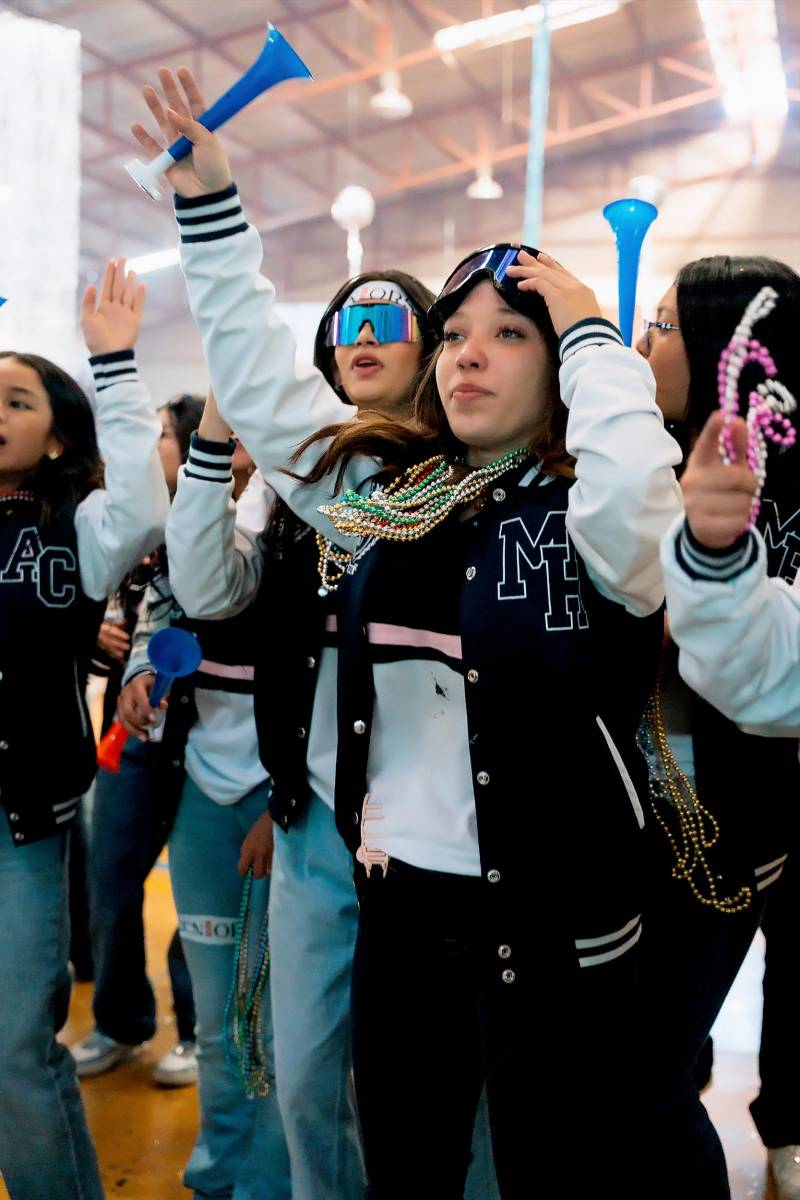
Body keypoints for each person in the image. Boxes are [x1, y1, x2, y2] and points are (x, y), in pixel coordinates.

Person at [130, 69, 683, 1197]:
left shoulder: (588, 506)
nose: (467, 353)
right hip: (401, 912)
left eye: (510, 334)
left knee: (546, 1171)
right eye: (456, 335)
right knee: (410, 1166)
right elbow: (273, 403)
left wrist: (587, 334)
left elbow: (634, 531)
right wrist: (212, 209)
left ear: (564, 359)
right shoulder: (393, 495)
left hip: (561, 918)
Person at [133, 68, 501, 1200]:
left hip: (458, 858)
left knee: (453, 1115)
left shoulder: (479, 491)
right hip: (317, 829)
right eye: (339, 327)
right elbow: (213, 577)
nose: (357, 339)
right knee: (304, 1083)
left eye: (389, 322)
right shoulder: (327, 493)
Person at [0, 257, 169, 1199]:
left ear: (59, 434)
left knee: (14, 1049)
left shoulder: (79, 524)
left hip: (20, 818)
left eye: (16, 400)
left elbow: (147, 505)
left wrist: (116, 363)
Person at [634, 257, 800, 1198]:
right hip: (646, 802)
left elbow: (756, 677)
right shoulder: (638, 464)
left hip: (737, 814)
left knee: (645, 1069)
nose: (643, 344)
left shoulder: (771, 495)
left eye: (662, 326)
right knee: (649, 1058)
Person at [115, 412, 290, 1200]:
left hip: (287, 809)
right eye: (225, 432)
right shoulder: (186, 538)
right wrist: (138, 681)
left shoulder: (310, 537)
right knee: (219, 1023)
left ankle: (283, 1178)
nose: (238, 445)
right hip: (200, 801)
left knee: (288, 1026)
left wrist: (288, 805)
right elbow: (156, 628)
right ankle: (223, 1170)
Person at [71, 392, 205, 1085]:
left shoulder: (217, 522)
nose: (144, 448)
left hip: (205, 726)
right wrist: (86, 631)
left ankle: (197, 1030)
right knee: (112, 876)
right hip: (128, 728)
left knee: (197, 886)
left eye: (157, 435)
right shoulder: (118, 528)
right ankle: (122, 1022)